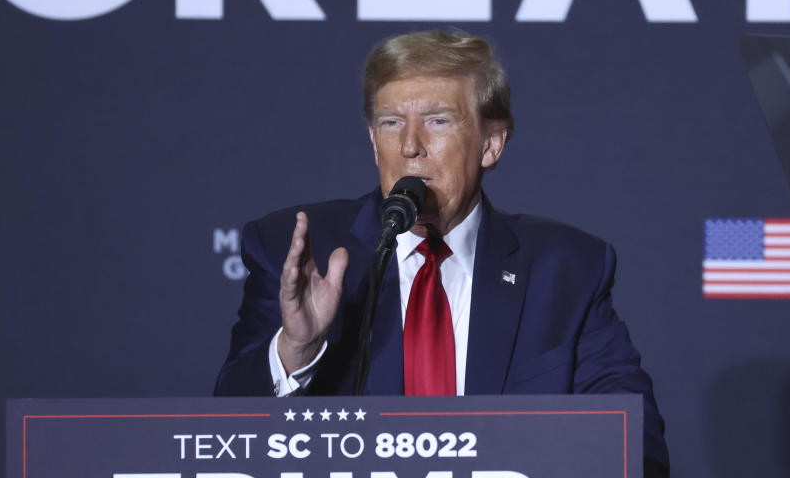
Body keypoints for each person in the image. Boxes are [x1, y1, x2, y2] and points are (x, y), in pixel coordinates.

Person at [215, 31, 669, 476]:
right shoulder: (300, 247)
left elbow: (634, 442)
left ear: (491, 144)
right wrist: (296, 350)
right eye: (391, 123)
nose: (410, 145)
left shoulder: (565, 269)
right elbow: (221, 440)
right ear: (374, 141)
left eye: (438, 121)